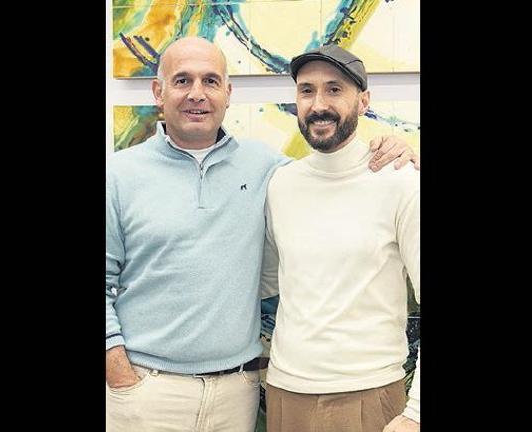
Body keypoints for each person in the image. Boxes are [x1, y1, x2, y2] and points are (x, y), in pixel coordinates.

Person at [106, 36, 418, 432]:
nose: (197, 93)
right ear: (158, 91)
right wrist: (118, 372)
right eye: (182, 80)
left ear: (228, 93)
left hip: (247, 394)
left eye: (211, 81)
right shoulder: (120, 174)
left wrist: (401, 152)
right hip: (157, 390)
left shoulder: (271, 170)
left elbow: (339, 174)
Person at [260, 44, 420, 432]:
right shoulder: (280, 184)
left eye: (334, 89)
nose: (319, 104)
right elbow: (268, 280)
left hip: (368, 394)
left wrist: (416, 412)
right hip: (285, 392)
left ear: (363, 101)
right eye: (307, 90)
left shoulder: (400, 181)